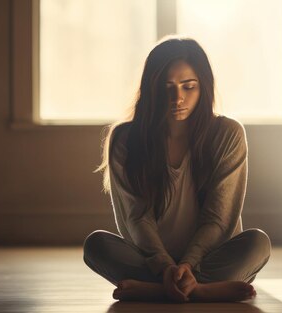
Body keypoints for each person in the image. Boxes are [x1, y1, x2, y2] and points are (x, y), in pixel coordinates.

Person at [83, 36, 271, 303]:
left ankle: (159, 291)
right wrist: (166, 267)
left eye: (188, 86)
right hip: (152, 261)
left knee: (258, 243)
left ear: (203, 87)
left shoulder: (228, 133)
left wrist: (190, 266)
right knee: (95, 245)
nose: (177, 97)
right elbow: (137, 218)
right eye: (166, 87)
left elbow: (218, 218)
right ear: (151, 88)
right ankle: (203, 291)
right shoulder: (125, 138)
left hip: (210, 257)